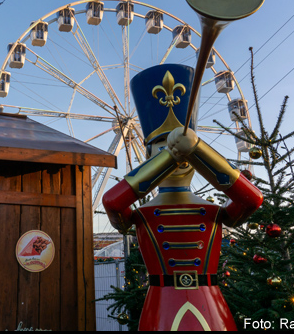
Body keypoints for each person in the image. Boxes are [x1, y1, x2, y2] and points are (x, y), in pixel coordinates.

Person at [103, 64, 263, 331]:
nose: (180, 156)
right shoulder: (140, 215)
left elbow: (253, 200)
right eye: (163, 148)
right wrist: (172, 154)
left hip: (210, 305)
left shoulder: (214, 211)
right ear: (149, 158)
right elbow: (112, 202)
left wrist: (197, 149)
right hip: (162, 306)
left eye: (184, 148)